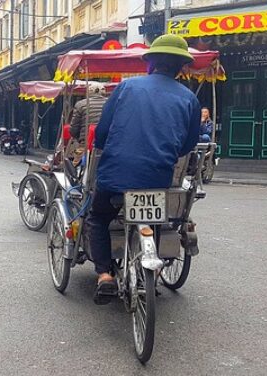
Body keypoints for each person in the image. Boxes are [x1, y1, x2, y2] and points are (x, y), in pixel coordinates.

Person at [87, 34, 201, 305]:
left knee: (99, 218)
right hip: (157, 177)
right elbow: (187, 145)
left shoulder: (127, 88)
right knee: (155, 215)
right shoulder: (189, 99)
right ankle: (155, 264)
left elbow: (102, 134)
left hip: (115, 174)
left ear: (151, 63)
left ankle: (104, 274)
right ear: (181, 67)